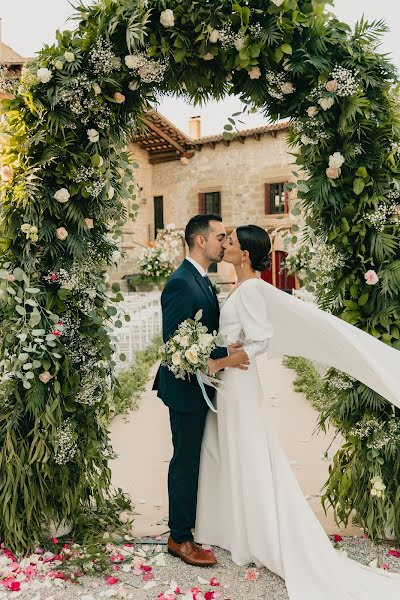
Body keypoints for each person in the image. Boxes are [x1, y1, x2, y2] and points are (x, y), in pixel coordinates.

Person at [195, 224, 400, 599]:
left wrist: (220, 363)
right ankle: (237, 528)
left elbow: (261, 342)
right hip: (229, 386)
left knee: (248, 453)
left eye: (233, 242)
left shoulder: (254, 288)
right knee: (230, 451)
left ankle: (259, 533)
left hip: (239, 386)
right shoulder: (239, 287)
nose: (226, 246)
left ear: (245, 254)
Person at [153, 214, 248, 567]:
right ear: (200, 241)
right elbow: (176, 344)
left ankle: (194, 525)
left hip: (201, 386)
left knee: (197, 459)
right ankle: (180, 537)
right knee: (185, 461)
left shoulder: (202, 279)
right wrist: (228, 356)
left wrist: (227, 349)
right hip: (185, 389)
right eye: (220, 237)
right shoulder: (181, 282)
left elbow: (204, 332)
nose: (225, 243)